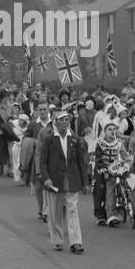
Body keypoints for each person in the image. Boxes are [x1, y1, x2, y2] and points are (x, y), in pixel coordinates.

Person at [42, 108, 88, 253]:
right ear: (55, 123)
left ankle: (76, 242)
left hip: (72, 180)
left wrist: (85, 182)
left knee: (73, 210)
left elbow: (82, 162)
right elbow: (42, 162)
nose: (64, 122)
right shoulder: (49, 140)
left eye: (66, 119)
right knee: (56, 213)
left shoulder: (74, 140)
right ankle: (57, 240)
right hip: (55, 181)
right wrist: (46, 178)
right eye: (61, 120)